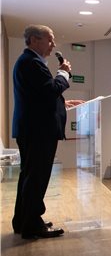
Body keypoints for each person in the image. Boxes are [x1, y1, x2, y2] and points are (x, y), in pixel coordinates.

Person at [12, 25, 83, 239]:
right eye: (49, 40)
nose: (53, 44)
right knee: (37, 178)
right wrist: (63, 73)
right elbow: (50, 89)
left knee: (30, 176)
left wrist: (62, 103)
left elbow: (40, 96)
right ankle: (32, 225)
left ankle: (23, 220)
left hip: (33, 129)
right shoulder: (31, 62)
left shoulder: (28, 61)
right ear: (34, 40)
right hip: (38, 131)